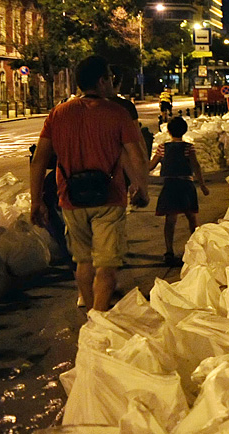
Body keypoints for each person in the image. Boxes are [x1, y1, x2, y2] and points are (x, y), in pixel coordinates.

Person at [29, 55, 150, 313]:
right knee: (107, 264)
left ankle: (90, 316)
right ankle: (100, 315)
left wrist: (36, 201)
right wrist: (141, 187)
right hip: (110, 197)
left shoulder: (58, 114)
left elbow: (39, 160)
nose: (112, 82)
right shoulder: (117, 113)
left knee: (83, 260)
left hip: (70, 198)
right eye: (110, 77)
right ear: (102, 80)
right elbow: (135, 155)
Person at [148, 116, 209, 267]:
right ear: (185, 130)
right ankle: (196, 248)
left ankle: (169, 251)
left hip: (170, 185)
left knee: (170, 220)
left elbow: (150, 166)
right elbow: (196, 167)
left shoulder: (162, 147)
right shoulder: (189, 148)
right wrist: (202, 185)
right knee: (191, 218)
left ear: (168, 131)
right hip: (186, 185)